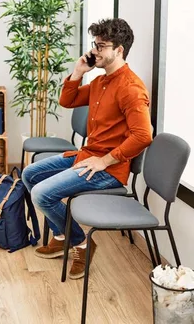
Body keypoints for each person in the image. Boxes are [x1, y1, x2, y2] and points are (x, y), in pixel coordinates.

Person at [21, 18, 153, 280]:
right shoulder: (101, 82)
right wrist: (79, 71)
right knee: (29, 175)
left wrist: (104, 161)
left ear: (119, 50)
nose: (95, 51)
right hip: (85, 157)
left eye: (101, 46)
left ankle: (81, 243)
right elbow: (67, 100)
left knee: (41, 194)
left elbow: (143, 136)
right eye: (95, 44)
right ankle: (62, 236)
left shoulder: (131, 88)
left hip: (107, 169)